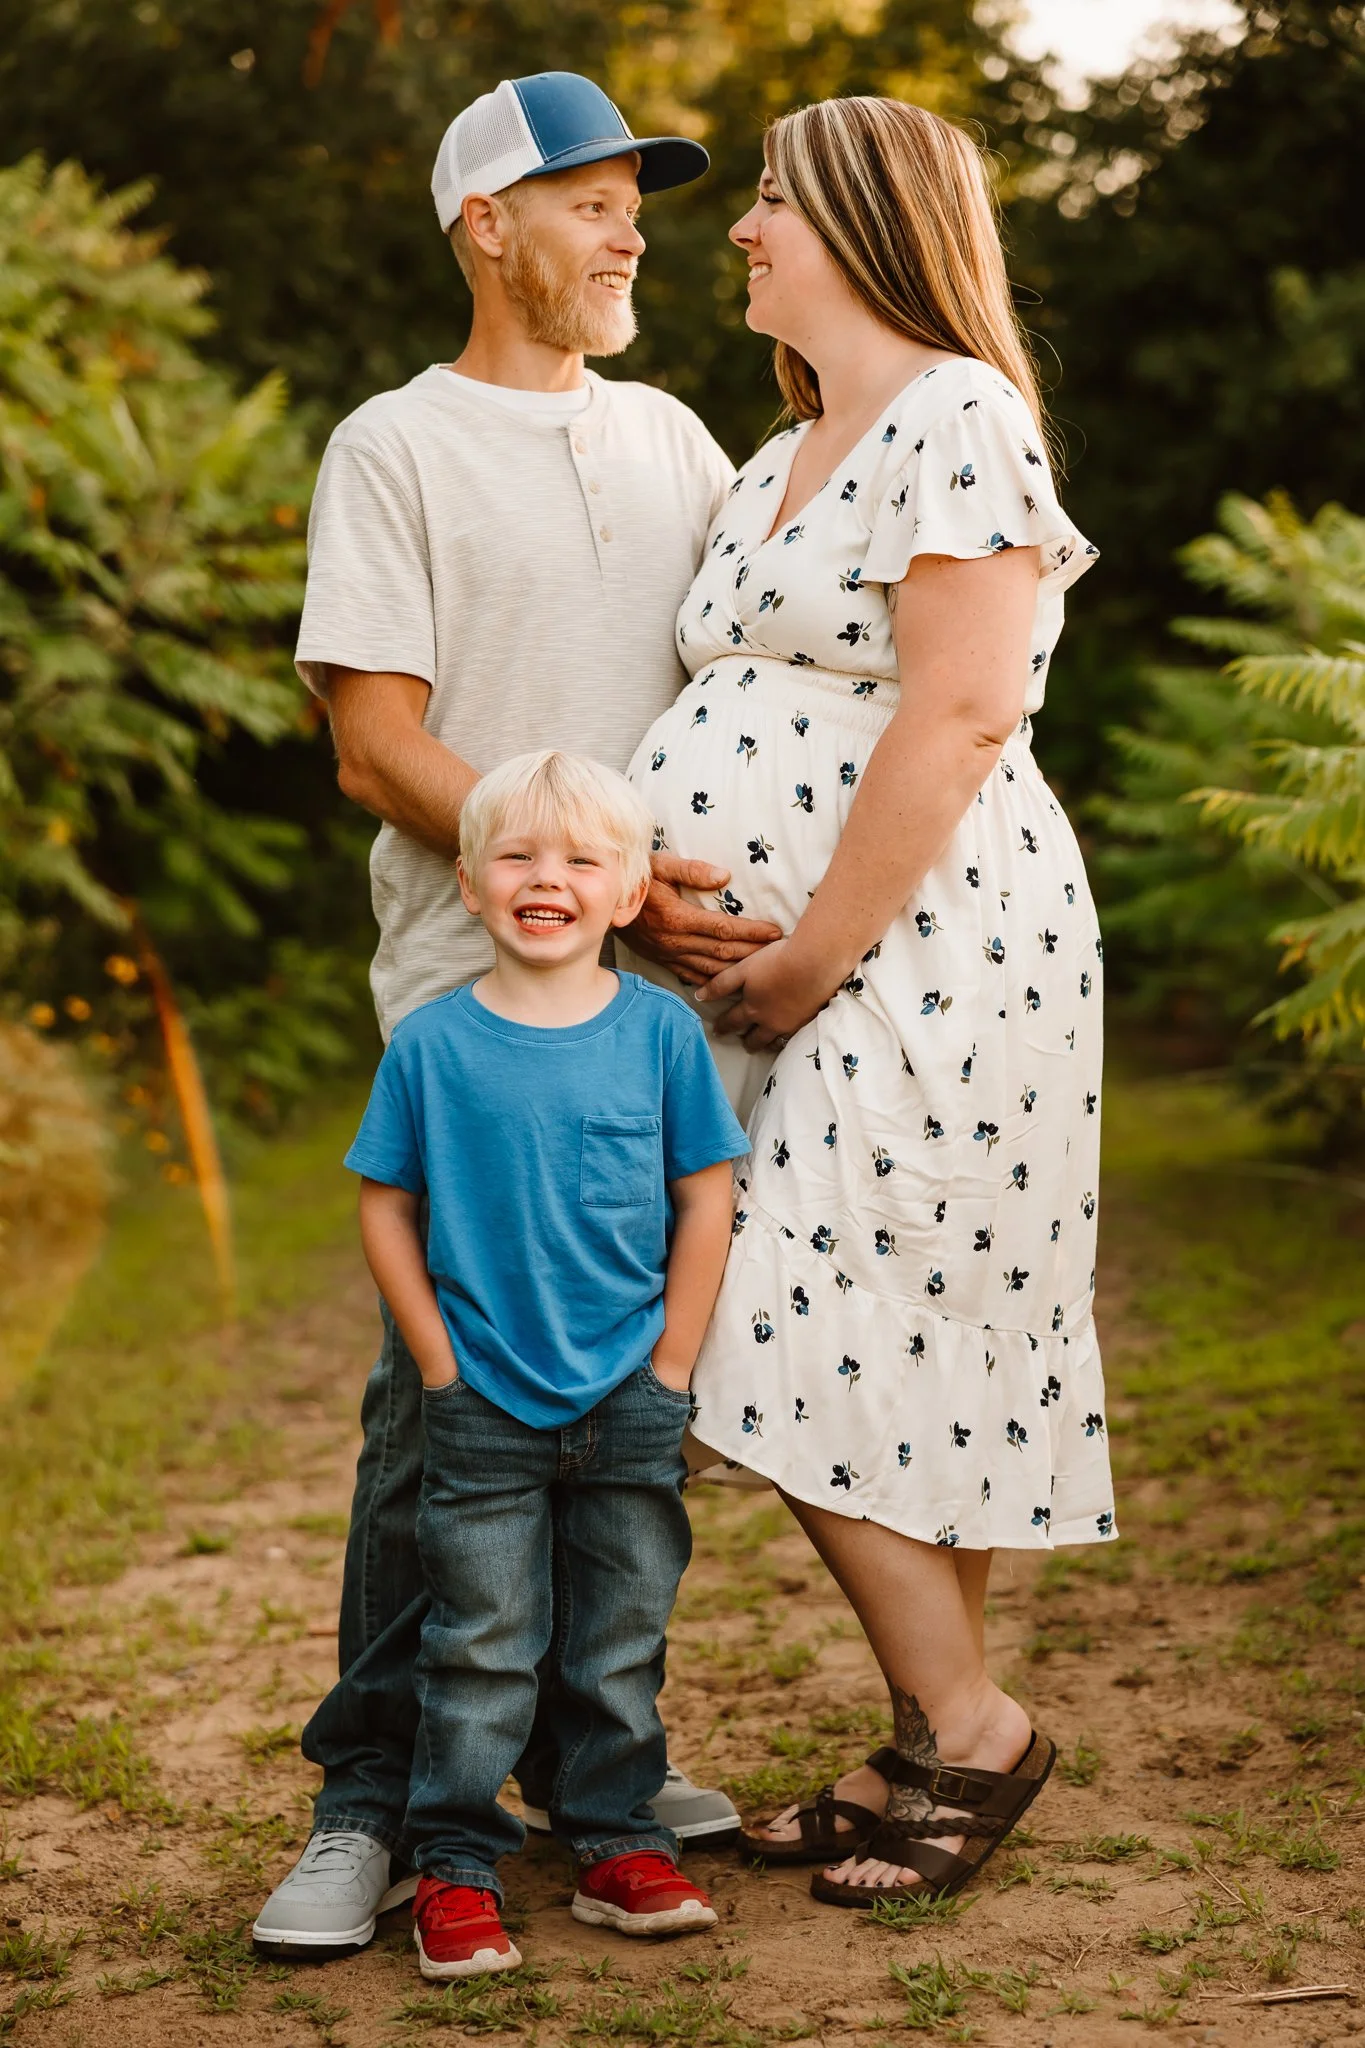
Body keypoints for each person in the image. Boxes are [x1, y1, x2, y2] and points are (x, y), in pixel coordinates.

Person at [253, 70, 780, 1959]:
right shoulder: (393, 445)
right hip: (470, 999)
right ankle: (371, 1803)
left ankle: (583, 1765)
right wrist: (585, 876)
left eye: (639, 202)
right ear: (487, 223)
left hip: (659, 1013)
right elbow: (373, 740)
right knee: (446, 1414)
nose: (631, 232)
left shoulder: (677, 438)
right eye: (591, 200)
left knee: (617, 1400)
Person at [621, 94, 1116, 1906]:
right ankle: (922, 1734)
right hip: (799, 967)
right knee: (899, 1327)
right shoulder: (782, 450)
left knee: (778, 1302)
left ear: (862, 220)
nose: (741, 229)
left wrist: (811, 951)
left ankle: (976, 1726)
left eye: (769, 198)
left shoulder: (959, 415)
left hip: (931, 952)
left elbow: (963, 710)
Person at [345, 751, 748, 1980]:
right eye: (517, 855)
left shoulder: (660, 1033)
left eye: (581, 859)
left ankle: (615, 1836)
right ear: (470, 884)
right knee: (480, 1641)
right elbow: (384, 1205)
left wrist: (671, 1364)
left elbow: (706, 1195)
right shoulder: (433, 1045)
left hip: (630, 1394)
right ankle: (456, 1862)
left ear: (630, 892)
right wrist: (440, 1368)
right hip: (480, 1402)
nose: (547, 878)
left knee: (618, 1636)